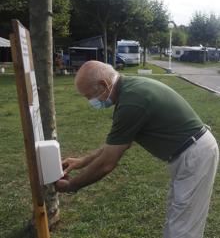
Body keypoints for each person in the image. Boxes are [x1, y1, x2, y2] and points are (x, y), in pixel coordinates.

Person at [55, 60, 219, 238]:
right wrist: (82, 162)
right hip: (190, 152)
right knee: (178, 215)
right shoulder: (130, 90)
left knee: (184, 227)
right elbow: (115, 145)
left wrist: (72, 185)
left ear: (103, 85)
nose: (91, 101)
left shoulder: (131, 102)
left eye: (89, 96)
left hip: (194, 155)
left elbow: (106, 163)